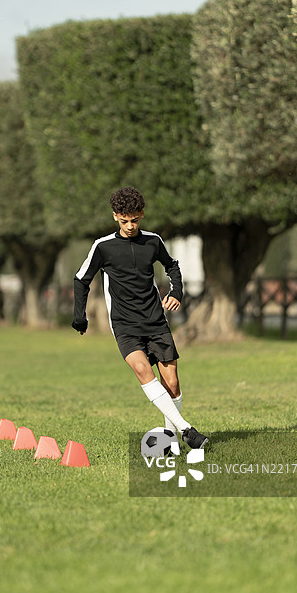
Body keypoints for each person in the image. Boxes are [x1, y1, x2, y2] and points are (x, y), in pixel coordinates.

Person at [72, 186, 208, 449]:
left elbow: (172, 266)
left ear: (142, 215)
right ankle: (187, 430)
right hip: (125, 324)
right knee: (143, 370)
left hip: (155, 320)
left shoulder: (153, 241)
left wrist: (176, 292)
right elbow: (81, 280)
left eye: (135, 220)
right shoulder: (103, 247)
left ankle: (173, 442)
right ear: (115, 217)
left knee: (172, 383)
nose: (130, 226)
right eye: (124, 221)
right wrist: (80, 316)